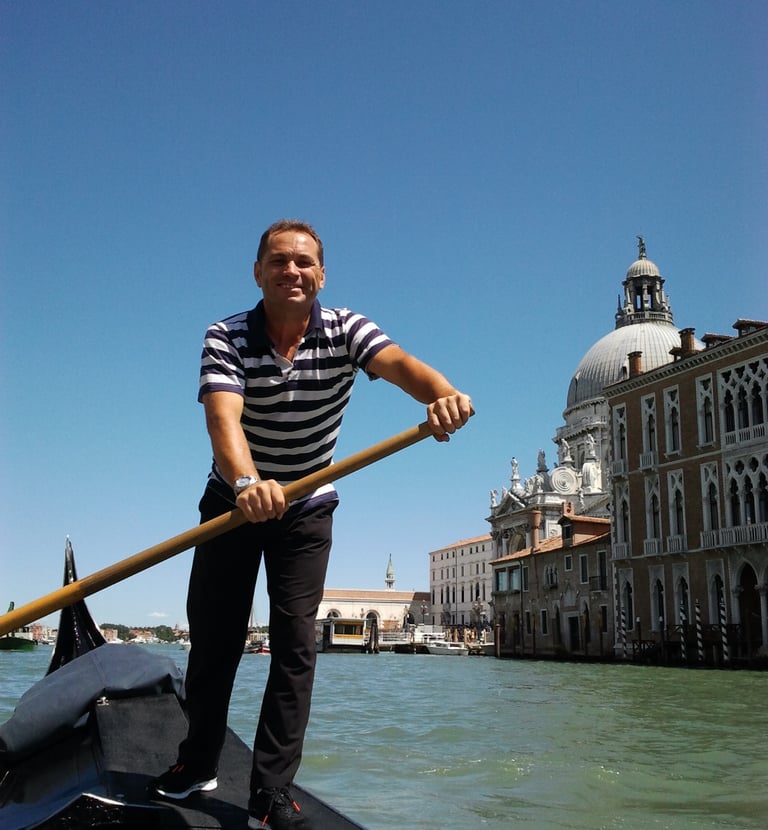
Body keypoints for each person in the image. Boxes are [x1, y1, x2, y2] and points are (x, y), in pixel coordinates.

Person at [150, 219, 473, 829]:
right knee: (214, 641)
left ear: (320, 274)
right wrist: (248, 485)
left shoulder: (349, 329)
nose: (291, 271)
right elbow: (224, 422)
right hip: (232, 503)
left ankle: (271, 791)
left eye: (303, 262)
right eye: (278, 261)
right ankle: (197, 762)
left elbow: (403, 365)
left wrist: (444, 394)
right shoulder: (226, 336)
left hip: (307, 509)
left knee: (295, 645)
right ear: (258, 273)